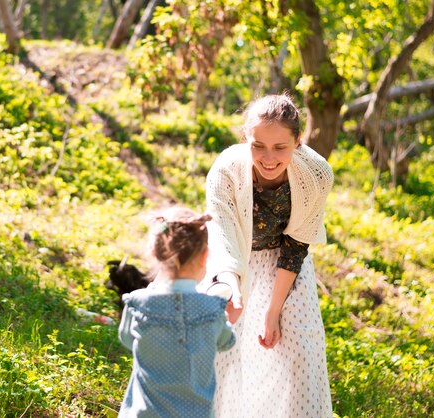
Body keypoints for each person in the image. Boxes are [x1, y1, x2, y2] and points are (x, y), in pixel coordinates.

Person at [204, 94, 334, 417]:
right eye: (258, 145)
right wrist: (232, 290)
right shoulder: (225, 171)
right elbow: (223, 236)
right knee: (224, 343)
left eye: (280, 147)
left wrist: (273, 309)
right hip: (234, 261)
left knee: (301, 348)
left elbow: (296, 245)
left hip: (286, 262)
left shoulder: (316, 174)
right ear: (245, 138)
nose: (269, 157)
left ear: (298, 141)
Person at [118, 207, 236, 418]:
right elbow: (226, 342)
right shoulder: (212, 309)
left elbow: (127, 339)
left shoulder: (138, 304)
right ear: (205, 257)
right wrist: (229, 319)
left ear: (155, 254)